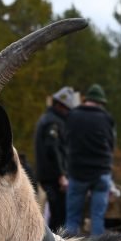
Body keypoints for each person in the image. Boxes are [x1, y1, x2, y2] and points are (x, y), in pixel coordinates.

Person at [65, 84, 115, 237]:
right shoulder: (106, 118)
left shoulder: (72, 115)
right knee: (97, 217)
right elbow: (111, 145)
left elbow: (66, 140)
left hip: (77, 172)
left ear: (86, 100)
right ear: (100, 102)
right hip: (101, 173)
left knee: (73, 218)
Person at [34, 86, 77, 231]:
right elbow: (53, 150)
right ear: (59, 106)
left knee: (56, 215)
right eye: (66, 108)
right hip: (53, 177)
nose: (68, 112)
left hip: (49, 175)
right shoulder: (53, 123)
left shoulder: (48, 119)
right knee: (59, 215)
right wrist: (61, 175)